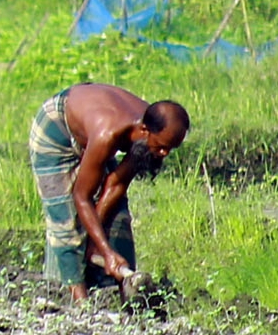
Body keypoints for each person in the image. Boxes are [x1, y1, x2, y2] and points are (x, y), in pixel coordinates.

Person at [28, 82, 190, 301]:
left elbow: (116, 184)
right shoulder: (109, 134)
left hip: (91, 129)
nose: (164, 153)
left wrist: (98, 246)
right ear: (144, 131)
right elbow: (81, 196)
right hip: (57, 130)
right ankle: (79, 301)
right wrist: (105, 250)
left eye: (171, 148)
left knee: (117, 215)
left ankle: (118, 293)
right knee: (66, 221)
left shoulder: (151, 130)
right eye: (161, 146)